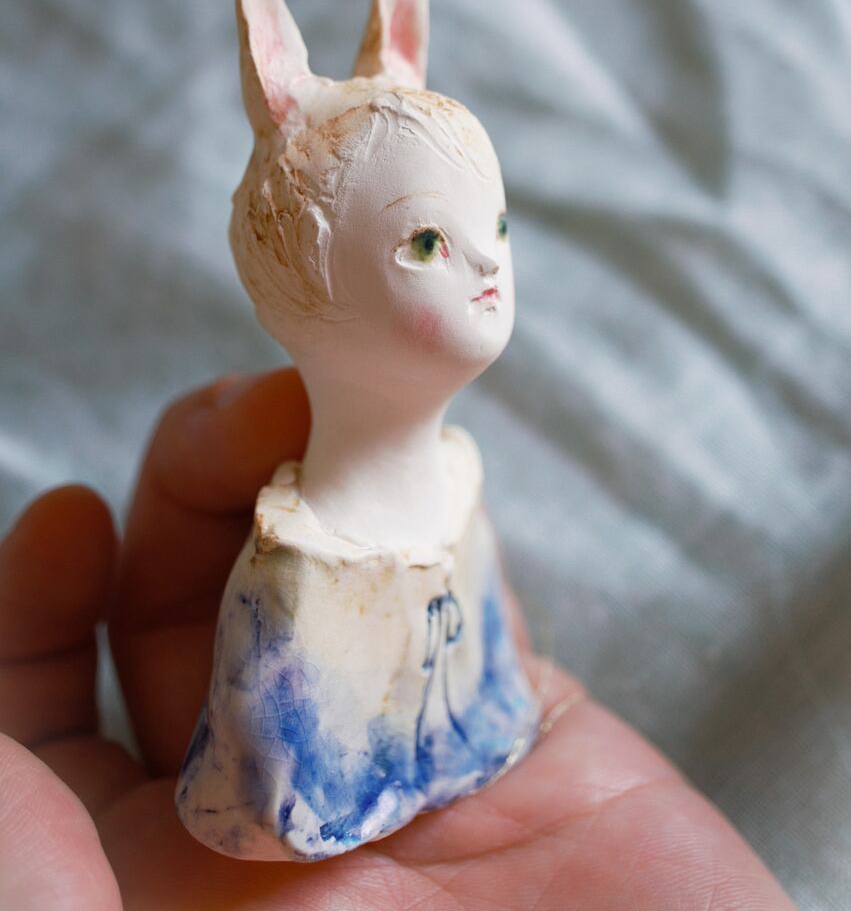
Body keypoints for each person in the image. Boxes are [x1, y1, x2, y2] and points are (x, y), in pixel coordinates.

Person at [0, 369, 797, 910]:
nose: (486, 270)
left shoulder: (452, 480)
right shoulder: (295, 555)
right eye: (426, 244)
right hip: (286, 808)